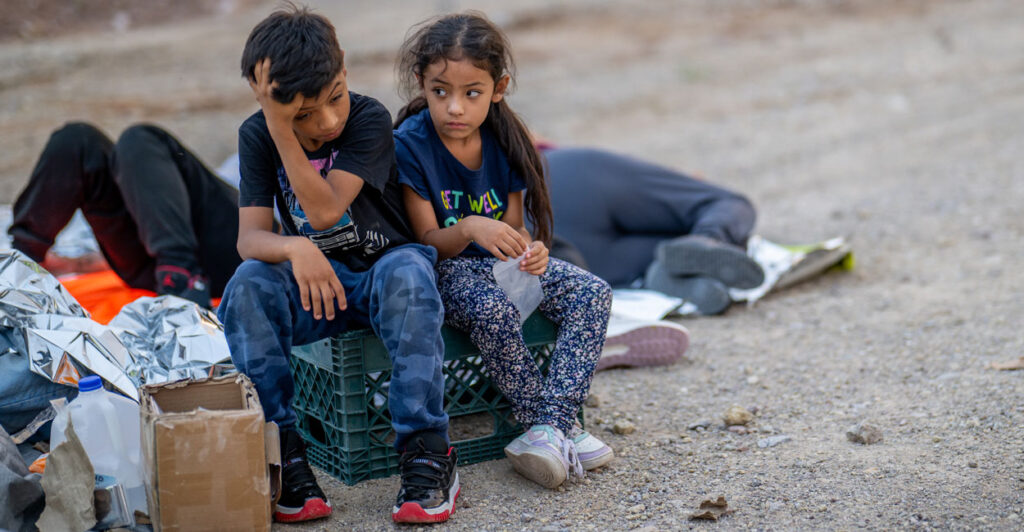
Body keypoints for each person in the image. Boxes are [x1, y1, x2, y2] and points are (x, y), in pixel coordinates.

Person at [216, 6, 456, 524]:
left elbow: (325, 211)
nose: (326, 122)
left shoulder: (367, 119)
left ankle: (426, 449)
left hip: (382, 277)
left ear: (344, 68)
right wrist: (294, 248)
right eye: (302, 115)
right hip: (316, 290)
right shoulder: (258, 134)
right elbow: (250, 238)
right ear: (272, 105)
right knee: (248, 285)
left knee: (410, 271)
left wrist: (284, 126)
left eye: (333, 98)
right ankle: (284, 453)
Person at [393, 12, 614, 489]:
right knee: (492, 310)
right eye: (440, 91)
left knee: (591, 293)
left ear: (498, 87)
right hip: (448, 272)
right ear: (421, 83)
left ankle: (549, 427)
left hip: (500, 266)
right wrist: (471, 226)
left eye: (471, 93)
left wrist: (529, 250)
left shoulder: (505, 140)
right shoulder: (410, 145)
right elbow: (427, 242)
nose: (454, 107)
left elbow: (512, 226)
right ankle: (555, 426)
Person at [6, 122, 241, 308]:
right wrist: (77, 264)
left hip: (240, 256)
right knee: (78, 140)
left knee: (140, 140)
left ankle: (181, 280)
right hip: (156, 267)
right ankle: (19, 266)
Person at [542, 145, 764, 316]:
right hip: (562, 176)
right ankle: (707, 238)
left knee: (665, 252)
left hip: (564, 253)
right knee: (724, 203)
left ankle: (656, 275)